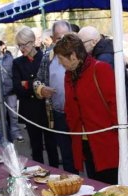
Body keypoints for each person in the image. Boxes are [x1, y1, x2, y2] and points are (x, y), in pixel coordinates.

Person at [54, 33, 119, 184]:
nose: (60, 63)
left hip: (105, 142)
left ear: (73, 56)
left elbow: (115, 105)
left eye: (62, 59)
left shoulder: (100, 69)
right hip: (84, 141)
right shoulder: (69, 75)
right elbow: (70, 107)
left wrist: (116, 134)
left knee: (111, 185)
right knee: (95, 184)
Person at [78, 26, 128, 184]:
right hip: (123, 112)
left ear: (93, 41)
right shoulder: (107, 52)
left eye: (82, 43)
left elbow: (108, 95)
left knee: (121, 160)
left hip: (117, 117)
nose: (80, 48)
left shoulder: (103, 59)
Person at [33, 20, 78, 174]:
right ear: (52, 39)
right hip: (59, 114)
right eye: (59, 38)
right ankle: (73, 186)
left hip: (80, 114)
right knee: (66, 155)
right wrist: (41, 89)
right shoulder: (48, 58)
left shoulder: (81, 55)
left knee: (87, 154)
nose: (64, 41)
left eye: (67, 37)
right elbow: (37, 80)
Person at [13, 27, 59, 167]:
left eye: (24, 44)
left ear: (33, 42)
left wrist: (27, 83)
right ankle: (40, 173)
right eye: (19, 45)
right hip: (30, 110)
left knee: (51, 145)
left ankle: (56, 172)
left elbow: (49, 83)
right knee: (35, 146)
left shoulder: (45, 58)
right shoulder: (17, 63)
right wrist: (38, 87)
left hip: (46, 108)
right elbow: (17, 89)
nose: (22, 48)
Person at [0, 40, 24, 143]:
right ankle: (3, 134)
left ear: (3, 47)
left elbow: (14, 74)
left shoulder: (10, 58)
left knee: (13, 114)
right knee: (1, 114)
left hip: (11, 90)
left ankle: (16, 132)